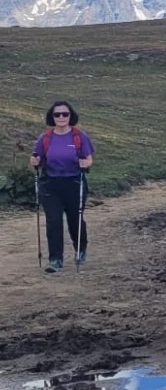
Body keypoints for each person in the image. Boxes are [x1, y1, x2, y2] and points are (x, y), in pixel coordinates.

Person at [29, 100, 94, 272]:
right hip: (51, 184)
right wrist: (34, 161)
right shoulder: (45, 137)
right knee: (54, 221)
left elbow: (89, 159)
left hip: (74, 183)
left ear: (71, 116)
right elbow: (37, 158)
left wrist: (85, 163)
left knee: (75, 219)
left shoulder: (79, 136)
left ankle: (80, 249)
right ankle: (55, 260)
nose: (61, 117)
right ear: (52, 117)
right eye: (57, 114)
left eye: (65, 114)